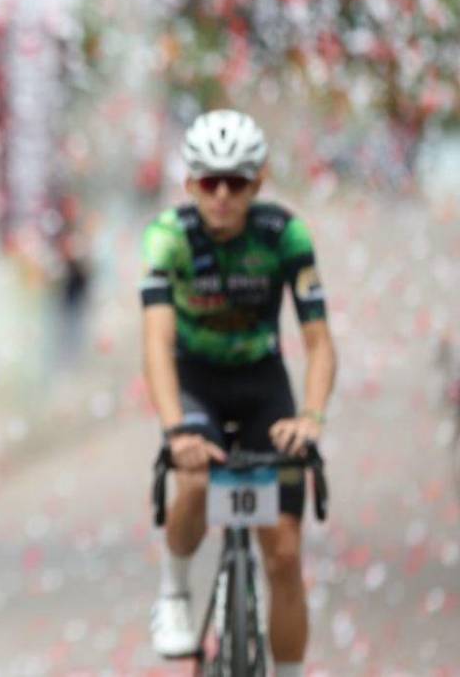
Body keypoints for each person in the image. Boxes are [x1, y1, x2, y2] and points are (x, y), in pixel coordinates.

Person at [141, 109, 336, 677]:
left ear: (258, 181)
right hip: (196, 382)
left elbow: (319, 343)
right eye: (209, 182)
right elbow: (156, 345)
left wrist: (312, 418)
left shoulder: (284, 235)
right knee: (197, 476)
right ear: (190, 183)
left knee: (284, 555)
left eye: (237, 183)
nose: (222, 195)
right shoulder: (168, 237)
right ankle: (174, 592)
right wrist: (177, 429)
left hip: (261, 385)